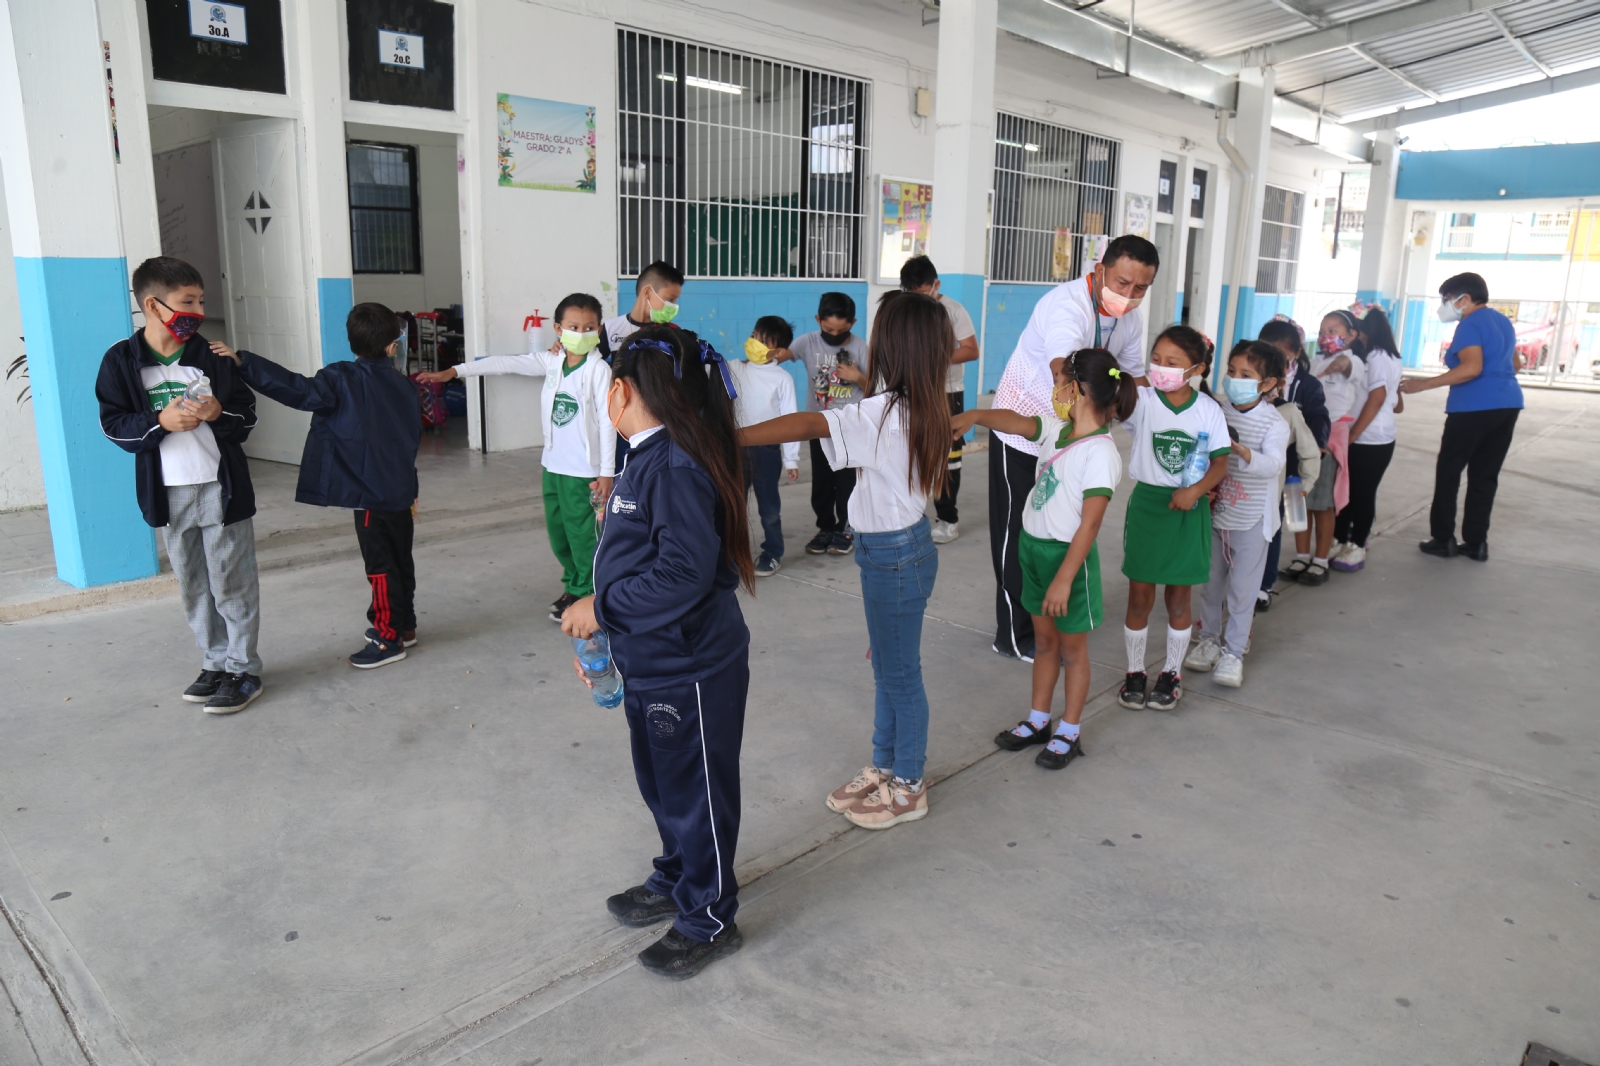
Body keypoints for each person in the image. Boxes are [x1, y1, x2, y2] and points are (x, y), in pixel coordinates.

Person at [558, 326, 752, 980]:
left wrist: (600, 609)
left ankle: (709, 914)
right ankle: (678, 873)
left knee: (694, 790)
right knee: (665, 783)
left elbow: (684, 575)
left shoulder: (673, 465)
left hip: (690, 666)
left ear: (625, 391)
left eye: (610, 382)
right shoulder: (647, 455)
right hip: (654, 660)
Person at [741, 292, 950, 827]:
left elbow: (813, 425)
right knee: (886, 668)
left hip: (894, 555)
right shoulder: (918, 403)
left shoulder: (884, 412)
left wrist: (730, 436)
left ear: (896, 347)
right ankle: (884, 765)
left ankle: (908, 786)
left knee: (900, 675)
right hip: (897, 550)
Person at [96, 256, 263, 714]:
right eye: (187, 301)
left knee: (232, 581)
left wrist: (217, 414)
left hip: (219, 488)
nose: (198, 310)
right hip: (168, 494)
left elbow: (246, 416)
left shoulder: (212, 357)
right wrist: (160, 420)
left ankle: (243, 669)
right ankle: (215, 662)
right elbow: (113, 425)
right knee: (193, 584)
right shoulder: (122, 362)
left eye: (200, 301)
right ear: (153, 305)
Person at [956, 349, 1132, 770]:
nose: (1054, 390)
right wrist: (977, 415)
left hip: (1066, 563)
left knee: (1073, 651)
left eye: (1058, 382)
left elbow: (1089, 527)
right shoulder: (1057, 429)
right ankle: (1039, 721)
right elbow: (1017, 424)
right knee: (1046, 643)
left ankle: (1069, 729)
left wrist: (1064, 579)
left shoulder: (1101, 454)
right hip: (1033, 551)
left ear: (1079, 389)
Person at [221, 303, 422, 668]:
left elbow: (297, 389)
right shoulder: (404, 386)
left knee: (380, 567)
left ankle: (386, 639)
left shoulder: (340, 378)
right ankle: (405, 626)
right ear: (394, 345)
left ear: (352, 342)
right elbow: (411, 441)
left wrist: (244, 363)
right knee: (399, 560)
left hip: (370, 497)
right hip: (400, 490)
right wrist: (413, 487)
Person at [990, 235, 1158, 661]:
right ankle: (1015, 634)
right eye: (1122, 283)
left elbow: (1133, 380)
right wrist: (1084, 416)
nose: (1129, 295)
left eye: (1140, 288)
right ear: (1100, 268)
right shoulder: (1067, 305)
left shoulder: (1129, 320)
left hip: (1073, 437)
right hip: (1027, 429)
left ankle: (1049, 617)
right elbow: (1063, 370)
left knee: (1057, 530)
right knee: (1017, 532)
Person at [419, 294, 615, 623]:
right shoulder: (552, 361)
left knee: (584, 538)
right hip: (553, 466)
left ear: (599, 330)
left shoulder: (598, 370)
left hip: (585, 472)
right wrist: (454, 371)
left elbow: (609, 424)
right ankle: (574, 585)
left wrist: (606, 473)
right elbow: (504, 363)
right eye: (574, 327)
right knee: (559, 534)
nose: (581, 333)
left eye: (589, 327)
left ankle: (587, 595)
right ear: (558, 329)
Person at [1117, 325, 1229, 712]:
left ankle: (1171, 673)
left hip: (1187, 507)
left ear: (1195, 368)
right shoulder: (1144, 400)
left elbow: (1220, 463)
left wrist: (1195, 491)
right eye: (1157, 360)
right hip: (1149, 505)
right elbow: (1114, 392)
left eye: (1172, 363)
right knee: (1139, 596)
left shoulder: (1208, 410)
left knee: (1179, 599)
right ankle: (1134, 673)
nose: (1161, 368)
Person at [1184, 341, 1288, 688]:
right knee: (1211, 587)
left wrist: (1242, 452)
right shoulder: (1216, 411)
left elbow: (1273, 466)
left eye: (1246, 375)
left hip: (1251, 521)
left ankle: (1234, 653)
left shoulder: (1274, 423)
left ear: (1267, 384)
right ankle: (1209, 640)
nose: (1234, 379)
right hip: (1215, 517)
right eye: (1231, 371)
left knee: (1243, 591)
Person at [1400, 272, 1524, 561]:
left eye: (1447, 300)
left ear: (1464, 299)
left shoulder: (1469, 324)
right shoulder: (1502, 321)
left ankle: (1443, 539)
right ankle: (1477, 543)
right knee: (1484, 475)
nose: (1445, 306)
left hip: (1472, 407)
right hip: (1508, 403)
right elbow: (1515, 362)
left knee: (1449, 471)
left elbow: (1471, 369)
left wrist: (1423, 384)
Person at [772, 291, 870, 557]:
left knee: (847, 481)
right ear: (818, 320)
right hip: (818, 425)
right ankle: (825, 527)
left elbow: (875, 388)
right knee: (823, 482)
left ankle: (847, 528)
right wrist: (766, 353)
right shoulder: (808, 342)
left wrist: (857, 376)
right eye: (828, 329)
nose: (833, 334)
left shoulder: (861, 347)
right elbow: (780, 356)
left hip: (850, 427)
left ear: (853, 322)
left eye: (841, 330)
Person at [899, 255, 979, 544]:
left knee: (948, 459)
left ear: (936, 285)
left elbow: (971, 350)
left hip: (946, 392)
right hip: (911, 391)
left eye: (923, 294)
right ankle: (910, 516)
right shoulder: (903, 309)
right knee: (911, 454)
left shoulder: (953, 310)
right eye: (912, 295)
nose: (918, 300)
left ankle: (947, 519)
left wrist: (934, 358)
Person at [1288, 309, 1367, 587]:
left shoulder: (1353, 361)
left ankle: (1320, 560)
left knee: (1322, 504)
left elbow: (1344, 363)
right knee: (1296, 498)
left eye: (1333, 332)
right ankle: (1301, 555)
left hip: (1329, 439)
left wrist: (1335, 364)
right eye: (1322, 332)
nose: (1325, 337)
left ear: (1351, 335)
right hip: (1301, 435)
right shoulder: (1314, 361)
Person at [1256, 316, 1327, 612]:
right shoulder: (1253, 381)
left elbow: (1319, 417)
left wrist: (1319, 443)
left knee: (1283, 520)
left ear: (1296, 354)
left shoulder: (1307, 385)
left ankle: (1271, 579)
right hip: (1262, 468)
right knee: (1259, 525)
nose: (1273, 362)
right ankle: (1266, 575)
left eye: (1281, 357)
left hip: (1293, 468)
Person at [1332, 304, 1404, 571]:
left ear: (1363, 330)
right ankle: (1342, 539)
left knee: (1361, 494)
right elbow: (1396, 401)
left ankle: (1357, 545)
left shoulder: (1377, 357)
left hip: (1371, 439)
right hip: (1370, 435)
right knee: (1349, 492)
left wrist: (1352, 435)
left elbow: (1378, 398)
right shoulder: (1387, 357)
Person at [728, 316, 800, 577]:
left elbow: (791, 421)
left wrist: (791, 459)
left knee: (769, 508)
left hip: (766, 452)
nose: (754, 342)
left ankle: (772, 553)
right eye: (754, 335)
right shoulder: (734, 367)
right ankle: (732, 554)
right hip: (735, 449)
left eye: (763, 340)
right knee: (733, 506)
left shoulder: (782, 379)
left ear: (778, 351)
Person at [601, 261, 684, 471]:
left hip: (658, 421)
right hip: (621, 421)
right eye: (670, 299)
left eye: (676, 301)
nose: (673, 307)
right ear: (648, 292)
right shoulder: (610, 330)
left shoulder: (673, 333)